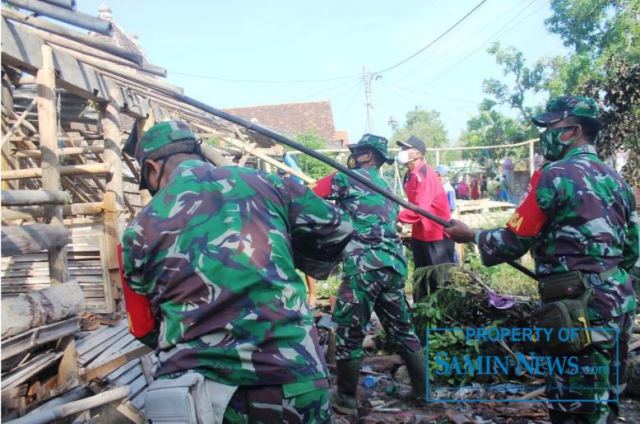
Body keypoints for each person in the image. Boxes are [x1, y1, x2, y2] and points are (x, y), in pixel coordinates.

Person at [121, 121, 354, 423]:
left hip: (200, 395)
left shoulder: (137, 230)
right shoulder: (267, 183)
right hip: (292, 376)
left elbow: (142, 326)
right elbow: (340, 229)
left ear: (152, 167)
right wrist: (294, 257)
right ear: (197, 151)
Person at [445, 96, 639, 424]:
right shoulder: (616, 180)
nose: (544, 134)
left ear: (571, 131)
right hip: (618, 303)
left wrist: (472, 236)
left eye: (549, 127)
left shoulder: (554, 175)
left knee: (573, 405)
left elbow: (513, 239)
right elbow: (633, 248)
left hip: (580, 311)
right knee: (606, 399)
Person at [312, 134, 425, 415]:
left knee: (350, 334)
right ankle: (424, 392)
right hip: (393, 265)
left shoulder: (347, 177)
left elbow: (313, 193)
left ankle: (346, 399)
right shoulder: (386, 187)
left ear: (369, 156)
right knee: (403, 331)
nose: (356, 155)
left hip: (364, 266)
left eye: (360, 151)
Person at [396, 135, 456, 292]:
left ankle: (445, 314)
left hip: (436, 235)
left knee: (441, 280)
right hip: (421, 233)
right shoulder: (410, 175)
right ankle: (422, 311)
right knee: (422, 278)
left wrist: (396, 216)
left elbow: (420, 209)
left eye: (405, 149)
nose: (402, 152)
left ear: (417, 154)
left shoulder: (424, 174)